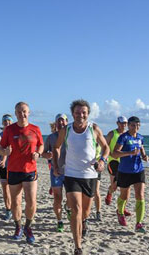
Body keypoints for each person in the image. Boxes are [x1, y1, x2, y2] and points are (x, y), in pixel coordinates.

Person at [53, 99, 109, 255]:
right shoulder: (66, 130)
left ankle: (84, 221)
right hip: (71, 175)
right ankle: (78, 247)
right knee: (76, 210)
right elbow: (57, 147)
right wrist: (57, 166)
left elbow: (106, 147)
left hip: (90, 175)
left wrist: (103, 161)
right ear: (73, 114)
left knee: (85, 212)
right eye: (77, 112)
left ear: (88, 114)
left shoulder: (94, 129)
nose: (80, 115)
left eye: (83, 112)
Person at [0, 102, 44, 244]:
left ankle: (28, 227)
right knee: (16, 202)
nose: (22, 114)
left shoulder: (35, 129)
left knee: (31, 201)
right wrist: (4, 152)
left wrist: (38, 153)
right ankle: (18, 226)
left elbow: (41, 145)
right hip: (13, 170)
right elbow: (1, 147)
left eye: (24, 111)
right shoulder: (9, 130)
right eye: (19, 112)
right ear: (15, 113)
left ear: (29, 112)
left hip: (30, 170)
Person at [111, 116, 148, 232]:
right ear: (128, 126)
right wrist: (129, 153)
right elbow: (115, 154)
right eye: (133, 125)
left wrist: (144, 156)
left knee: (140, 195)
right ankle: (120, 212)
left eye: (138, 125)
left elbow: (141, 148)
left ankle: (139, 224)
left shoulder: (140, 137)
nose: (135, 128)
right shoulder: (124, 137)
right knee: (124, 196)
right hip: (125, 171)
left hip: (138, 170)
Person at [42, 113, 68, 232]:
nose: (61, 123)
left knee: (71, 198)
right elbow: (43, 152)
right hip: (55, 171)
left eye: (63, 121)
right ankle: (59, 221)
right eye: (59, 121)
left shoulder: (71, 136)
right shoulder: (51, 137)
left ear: (67, 123)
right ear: (56, 123)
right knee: (57, 198)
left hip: (70, 171)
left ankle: (68, 208)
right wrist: (46, 155)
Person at [104, 116, 128, 207]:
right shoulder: (112, 134)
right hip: (113, 162)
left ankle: (122, 208)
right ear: (117, 123)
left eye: (125, 123)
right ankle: (109, 192)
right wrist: (110, 154)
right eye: (122, 123)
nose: (123, 125)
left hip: (124, 163)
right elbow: (104, 147)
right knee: (114, 186)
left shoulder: (127, 134)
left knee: (125, 188)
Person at [0, 114, 13, 221]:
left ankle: (14, 208)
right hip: (3, 166)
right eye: (5, 121)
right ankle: (8, 210)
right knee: (5, 189)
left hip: (14, 166)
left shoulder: (16, 134)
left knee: (15, 190)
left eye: (9, 121)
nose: (7, 122)